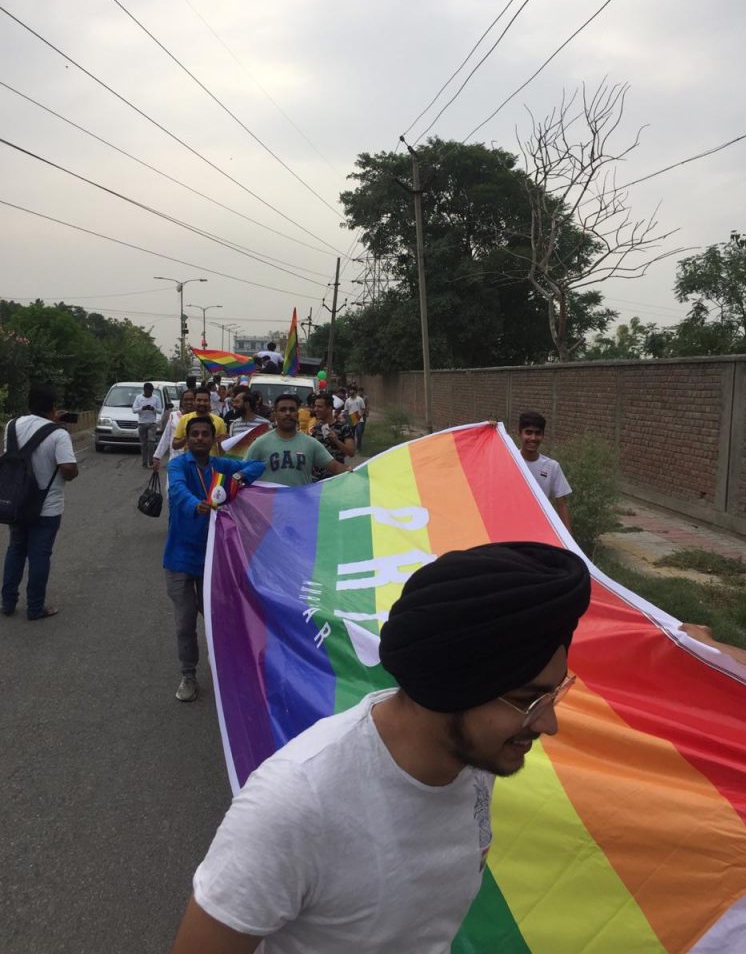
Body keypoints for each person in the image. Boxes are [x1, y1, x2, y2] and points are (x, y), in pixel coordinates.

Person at [171, 541, 591, 952]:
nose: (548, 723)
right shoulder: (295, 805)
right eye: (525, 700)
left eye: (554, 694)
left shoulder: (475, 760)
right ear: (448, 686)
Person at [163, 416, 265, 702]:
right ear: (188, 436)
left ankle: (228, 670)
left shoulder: (221, 466)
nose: (198, 438)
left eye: (204, 434)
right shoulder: (178, 465)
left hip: (214, 558)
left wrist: (238, 480)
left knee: (219, 619)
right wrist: (196, 505)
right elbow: (177, 490)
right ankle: (188, 675)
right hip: (180, 558)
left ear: (212, 438)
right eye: (193, 434)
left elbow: (257, 465)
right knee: (184, 622)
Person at [1, 383, 78, 620]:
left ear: (29, 404)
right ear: (53, 408)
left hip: (16, 502)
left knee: (15, 550)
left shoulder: (12, 426)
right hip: (47, 506)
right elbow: (68, 469)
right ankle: (35, 608)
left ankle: (7, 602)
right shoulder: (58, 434)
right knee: (39, 555)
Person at [245, 394, 347, 485]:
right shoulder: (260, 444)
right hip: (269, 505)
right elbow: (242, 472)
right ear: (275, 415)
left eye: (292, 410)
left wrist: (357, 473)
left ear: (297, 415)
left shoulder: (311, 444)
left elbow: (335, 467)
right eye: (283, 410)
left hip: (301, 504)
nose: (288, 413)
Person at [518, 411, 572, 532]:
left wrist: (569, 540)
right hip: (513, 526)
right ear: (520, 434)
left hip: (540, 530)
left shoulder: (552, 467)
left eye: (538, 433)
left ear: (543, 436)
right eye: (528, 432)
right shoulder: (509, 460)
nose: (533, 438)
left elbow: (562, 504)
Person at [310, 393, 355, 477]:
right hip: (316, 478)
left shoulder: (343, 427)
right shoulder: (316, 428)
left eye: (320, 406)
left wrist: (336, 441)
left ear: (329, 408)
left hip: (335, 477)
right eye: (315, 406)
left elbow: (351, 452)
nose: (316, 409)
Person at [173, 388, 227, 455]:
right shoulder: (184, 419)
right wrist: (187, 438)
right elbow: (175, 445)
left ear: (210, 402)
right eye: (199, 400)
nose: (202, 403)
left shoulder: (219, 421)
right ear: (194, 401)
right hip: (190, 463)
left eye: (205, 400)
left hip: (211, 463)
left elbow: (222, 449)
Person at [152, 389, 195, 474]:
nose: (189, 402)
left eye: (191, 399)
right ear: (182, 402)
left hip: (193, 461)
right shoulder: (174, 416)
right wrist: (157, 457)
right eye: (186, 400)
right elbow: (166, 437)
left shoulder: (200, 418)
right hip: (175, 458)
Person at [132, 382, 163, 468]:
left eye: (150, 392)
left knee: (151, 443)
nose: (148, 393)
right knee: (144, 444)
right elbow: (134, 410)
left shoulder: (156, 398)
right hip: (142, 423)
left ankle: (151, 461)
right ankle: (144, 462)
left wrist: (153, 409)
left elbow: (160, 410)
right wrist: (142, 408)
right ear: (144, 390)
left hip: (152, 423)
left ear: (152, 391)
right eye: (147, 392)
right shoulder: (138, 398)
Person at [344, 385, 367, 453]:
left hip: (359, 418)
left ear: (355, 391)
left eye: (352, 390)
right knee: (351, 434)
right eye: (350, 390)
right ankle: (352, 447)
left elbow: (363, 409)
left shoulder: (360, 399)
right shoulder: (347, 400)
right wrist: (347, 418)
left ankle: (359, 447)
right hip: (351, 418)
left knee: (359, 433)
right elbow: (346, 410)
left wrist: (360, 416)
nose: (350, 391)